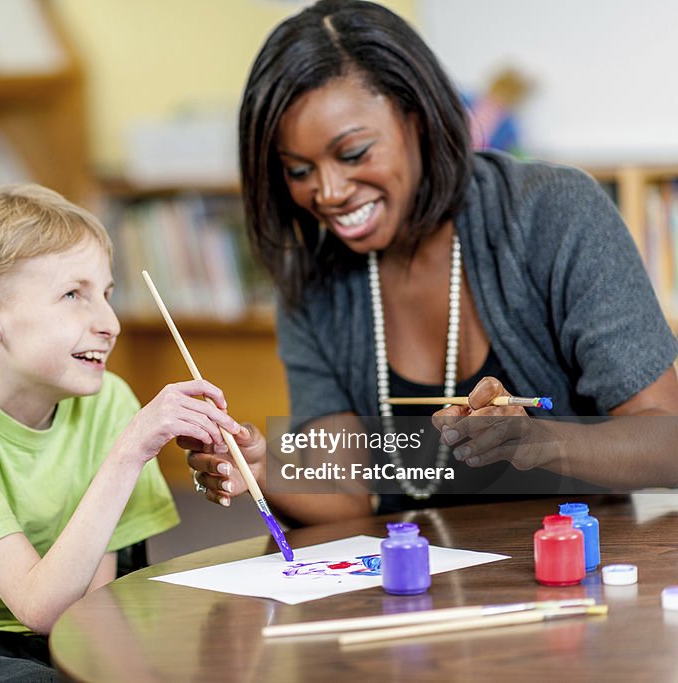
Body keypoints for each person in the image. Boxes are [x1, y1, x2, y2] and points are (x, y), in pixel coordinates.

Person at [186, 0, 678, 522]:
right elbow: (347, 494)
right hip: (412, 582)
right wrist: (264, 469)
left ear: (417, 119)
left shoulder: (553, 212)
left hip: (574, 574)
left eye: (353, 154)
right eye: (299, 169)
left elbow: (668, 441)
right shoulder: (314, 274)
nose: (327, 193)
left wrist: (540, 443)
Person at [0, 184, 246, 682]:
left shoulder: (109, 402)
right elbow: (42, 610)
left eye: (107, 294)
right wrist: (129, 453)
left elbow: (87, 612)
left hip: (59, 624)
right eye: (75, 294)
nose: (110, 323)